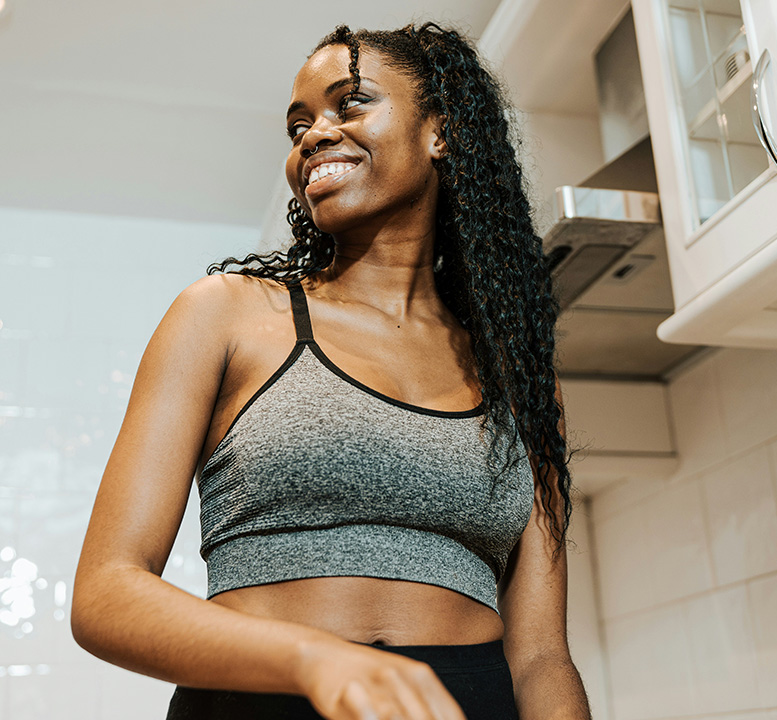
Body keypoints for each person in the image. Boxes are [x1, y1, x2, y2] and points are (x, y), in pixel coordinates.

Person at [71, 21, 590, 720]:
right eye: (298, 126)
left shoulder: (519, 377)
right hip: (260, 703)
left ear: (442, 132)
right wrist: (316, 658)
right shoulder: (225, 316)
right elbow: (105, 592)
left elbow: (541, 658)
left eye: (350, 103)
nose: (313, 135)